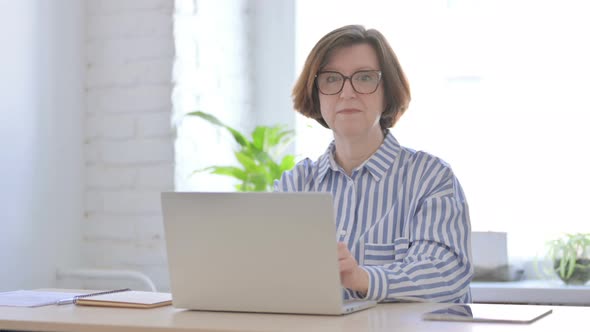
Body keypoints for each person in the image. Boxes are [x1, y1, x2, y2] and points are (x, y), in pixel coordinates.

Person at [274, 25, 473, 303]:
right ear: (316, 94)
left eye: (365, 78)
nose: (347, 93)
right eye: (331, 79)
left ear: (388, 91)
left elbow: (445, 275)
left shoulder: (431, 178)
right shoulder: (293, 186)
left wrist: (360, 278)